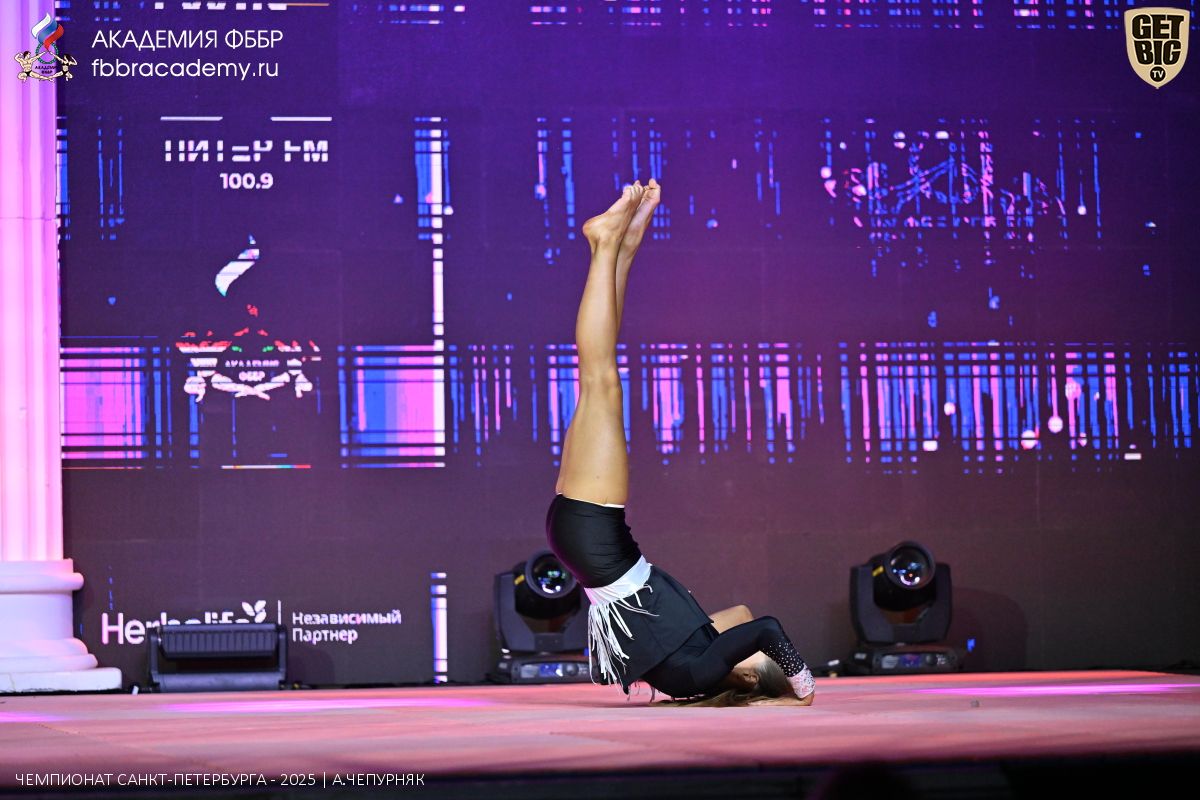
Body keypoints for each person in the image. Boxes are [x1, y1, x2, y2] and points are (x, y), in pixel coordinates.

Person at [545, 178, 815, 706]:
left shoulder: (699, 674)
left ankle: (605, 243)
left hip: (598, 539)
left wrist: (800, 682)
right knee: (596, 378)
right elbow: (739, 615)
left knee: (601, 379)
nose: (741, 648)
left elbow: (762, 627)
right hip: (582, 537)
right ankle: (621, 245)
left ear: (749, 674)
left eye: (754, 661)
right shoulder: (695, 656)